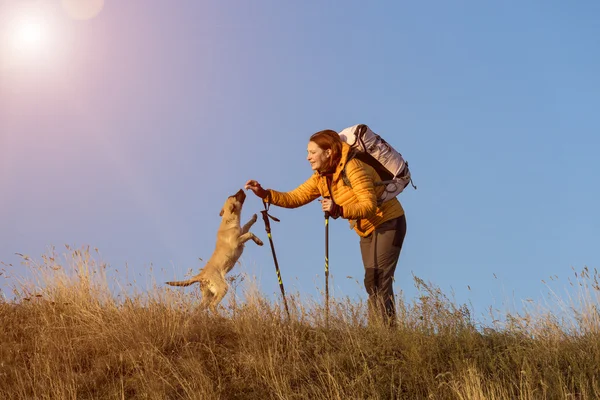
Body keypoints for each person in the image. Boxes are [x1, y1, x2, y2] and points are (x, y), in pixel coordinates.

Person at [245, 129, 406, 325]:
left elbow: (369, 205)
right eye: (308, 152)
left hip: (389, 222)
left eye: (312, 152)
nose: (308, 158)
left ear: (328, 152)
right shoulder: (322, 177)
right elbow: (295, 197)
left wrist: (338, 209)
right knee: (372, 280)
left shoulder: (353, 167)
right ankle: (380, 331)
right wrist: (264, 193)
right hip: (366, 228)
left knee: (380, 279)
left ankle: (386, 333)